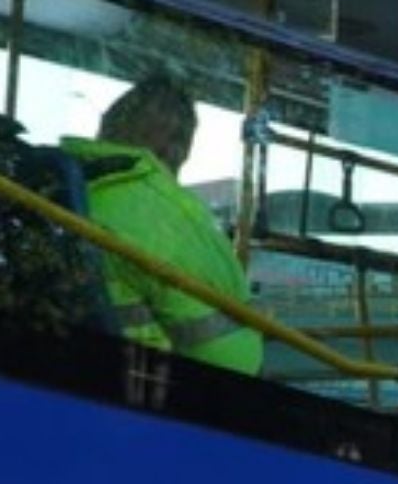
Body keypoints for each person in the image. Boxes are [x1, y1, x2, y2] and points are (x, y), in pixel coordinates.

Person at [63, 72, 262, 375]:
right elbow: (234, 295)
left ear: (106, 126)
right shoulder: (165, 215)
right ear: (177, 147)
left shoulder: (70, 183)